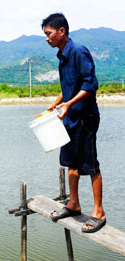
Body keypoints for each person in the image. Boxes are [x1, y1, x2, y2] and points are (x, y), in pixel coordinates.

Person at [41, 13, 106, 233]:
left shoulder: (78, 51)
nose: (46, 38)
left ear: (62, 31)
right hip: (69, 118)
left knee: (90, 164)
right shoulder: (62, 55)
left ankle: (99, 212)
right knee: (70, 163)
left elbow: (90, 85)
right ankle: (74, 204)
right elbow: (69, 86)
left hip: (85, 118)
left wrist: (69, 104)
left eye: (48, 34)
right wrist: (57, 103)